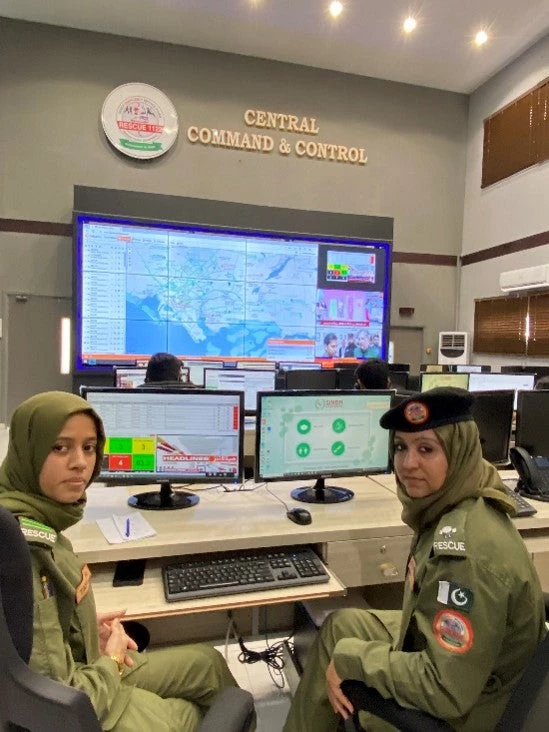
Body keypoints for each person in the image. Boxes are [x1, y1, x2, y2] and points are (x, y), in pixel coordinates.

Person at [283, 387, 546, 732]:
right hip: (467, 660)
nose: (408, 464)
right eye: (400, 448)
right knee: (340, 627)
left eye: (427, 449)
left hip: (471, 705)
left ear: (460, 451)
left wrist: (354, 661)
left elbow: (445, 688)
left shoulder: (465, 555)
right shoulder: (459, 496)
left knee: (345, 654)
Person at [0, 391, 241, 731]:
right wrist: (111, 661)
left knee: (208, 663)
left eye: (89, 447)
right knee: (195, 714)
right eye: (60, 447)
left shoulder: (38, 514)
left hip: (87, 664)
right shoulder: (26, 548)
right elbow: (59, 699)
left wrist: (84, 631)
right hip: (85, 702)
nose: (81, 463)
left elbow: (32, 634)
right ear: (30, 451)